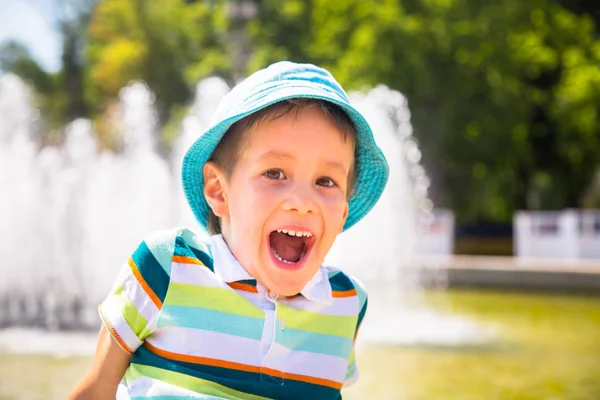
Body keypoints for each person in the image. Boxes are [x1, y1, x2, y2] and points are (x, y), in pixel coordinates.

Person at [68, 61, 389, 400]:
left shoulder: (347, 302)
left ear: (342, 213)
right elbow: (97, 389)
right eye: (275, 173)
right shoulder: (168, 267)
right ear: (219, 191)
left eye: (326, 181)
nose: (302, 201)